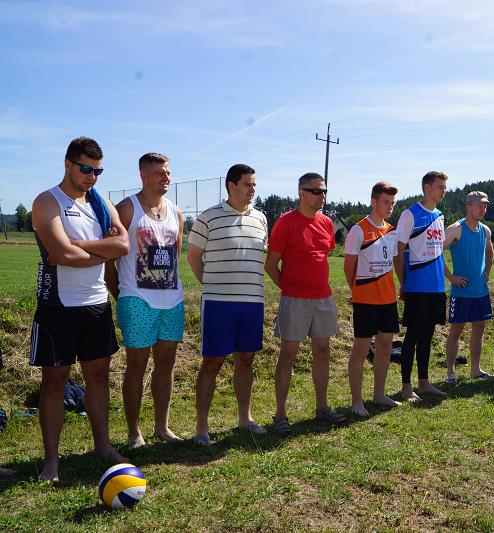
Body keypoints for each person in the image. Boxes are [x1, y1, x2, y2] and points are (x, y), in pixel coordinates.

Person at [29, 136, 129, 481]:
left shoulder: (101, 203)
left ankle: (103, 446)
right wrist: (101, 249)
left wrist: (81, 246)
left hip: (96, 304)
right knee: (55, 382)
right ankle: (52, 461)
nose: (92, 177)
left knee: (98, 378)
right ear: (68, 164)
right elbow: (61, 254)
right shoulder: (47, 201)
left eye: (98, 171)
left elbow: (123, 245)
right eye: (86, 169)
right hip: (58, 306)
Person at [105, 153, 184, 447]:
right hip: (137, 300)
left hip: (171, 302)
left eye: (168, 172)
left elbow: (175, 257)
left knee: (166, 365)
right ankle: (134, 432)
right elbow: (109, 263)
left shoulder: (175, 212)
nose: (166, 178)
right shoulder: (127, 209)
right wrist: (123, 296)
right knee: (136, 367)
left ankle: (162, 427)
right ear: (143, 175)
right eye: (160, 173)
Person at [187, 164, 269, 445]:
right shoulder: (208, 217)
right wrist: (212, 284)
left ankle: (245, 419)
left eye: (254, 184)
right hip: (218, 303)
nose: (252, 189)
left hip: (252, 302)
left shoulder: (261, 218)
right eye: (247, 184)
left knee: (246, 360)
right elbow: (193, 257)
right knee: (212, 363)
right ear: (231, 185)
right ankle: (201, 427)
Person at [266, 172, 345, 434]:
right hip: (295, 299)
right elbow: (271, 265)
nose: (322, 196)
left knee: (322, 350)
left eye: (324, 191)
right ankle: (280, 415)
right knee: (288, 354)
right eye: (316, 191)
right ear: (301, 193)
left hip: (323, 297)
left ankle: (322, 407)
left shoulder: (326, 223)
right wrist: (290, 290)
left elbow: (321, 257)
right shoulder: (286, 222)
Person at [343, 181, 403, 416]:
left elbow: (392, 263)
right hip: (366, 301)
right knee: (361, 349)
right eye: (386, 202)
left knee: (385, 347)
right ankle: (357, 401)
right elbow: (349, 267)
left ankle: (379, 394)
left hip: (388, 299)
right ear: (373, 201)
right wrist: (357, 291)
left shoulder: (392, 231)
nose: (390, 207)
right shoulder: (358, 230)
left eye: (393, 203)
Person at [395, 171, 449, 402]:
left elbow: (439, 252)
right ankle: (406, 386)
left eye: (445, 187)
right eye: (440, 187)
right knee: (413, 337)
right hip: (417, 287)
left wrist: (447, 277)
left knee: (428, 336)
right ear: (427, 188)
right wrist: (404, 283)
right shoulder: (410, 214)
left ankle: (424, 382)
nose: (444, 191)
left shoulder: (439, 216)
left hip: (436, 287)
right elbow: (398, 252)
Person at [442, 191, 494, 383]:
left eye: (485, 206)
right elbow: (435, 252)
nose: (483, 209)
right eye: (479, 205)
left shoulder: (485, 230)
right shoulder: (456, 229)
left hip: (480, 291)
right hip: (461, 292)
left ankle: (475, 369)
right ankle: (450, 373)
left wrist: (487, 270)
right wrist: (451, 277)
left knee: (479, 327)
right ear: (469, 206)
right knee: (456, 330)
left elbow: (490, 251)